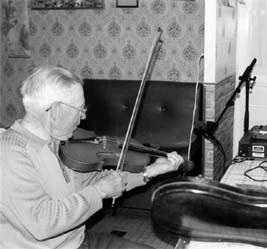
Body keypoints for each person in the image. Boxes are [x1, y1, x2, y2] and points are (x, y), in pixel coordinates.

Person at [0, 66, 184, 249]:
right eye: (79, 109)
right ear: (55, 111)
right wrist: (100, 191)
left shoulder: (58, 141)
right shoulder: (11, 154)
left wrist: (149, 172)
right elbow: (42, 224)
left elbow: (93, 181)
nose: (83, 116)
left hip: (79, 240)